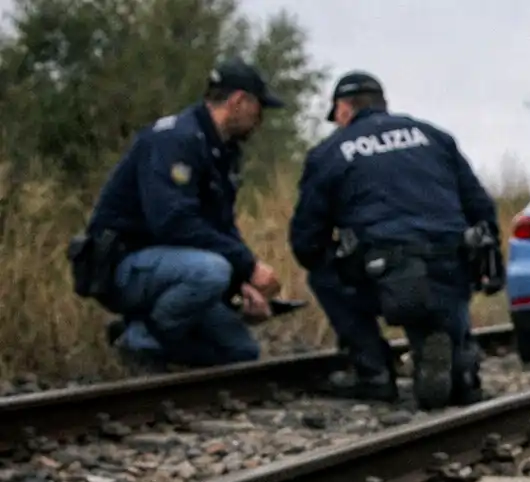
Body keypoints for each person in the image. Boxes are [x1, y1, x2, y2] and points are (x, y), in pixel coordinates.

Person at [289, 71, 502, 409]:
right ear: (382, 104)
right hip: (449, 264)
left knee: (325, 274)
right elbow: (479, 206)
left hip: (385, 269)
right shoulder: (435, 137)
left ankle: (373, 372)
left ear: (344, 109)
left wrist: (330, 257)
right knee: (448, 277)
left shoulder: (330, 152)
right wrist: (493, 265)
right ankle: (460, 367)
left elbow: (305, 238)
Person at [79, 61, 286, 369]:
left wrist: (242, 281)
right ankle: (144, 338)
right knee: (211, 271)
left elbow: (219, 226)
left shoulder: (222, 150)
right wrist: (246, 265)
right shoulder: (175, 139)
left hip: (174, 268)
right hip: (125, 265)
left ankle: (142, 336)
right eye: (259, 108)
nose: (260, 120)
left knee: (241, 352)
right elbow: (172, 223)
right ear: (239, 101)